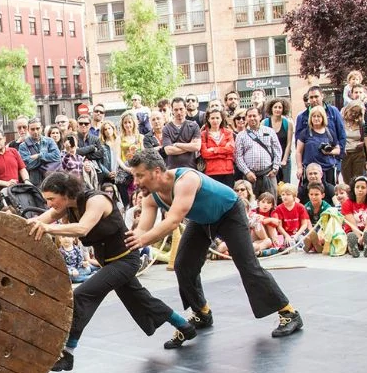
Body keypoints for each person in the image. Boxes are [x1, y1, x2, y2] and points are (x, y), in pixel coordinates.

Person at [124, 149, 303, 342]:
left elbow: (173, 221)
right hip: (202, 219)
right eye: (134, 176)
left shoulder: (186, 180)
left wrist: (140, 241)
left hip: (229, 213)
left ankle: (289, 313)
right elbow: (142, 230)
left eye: (140, 176)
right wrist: (128, 243)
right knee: (183, 265)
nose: (136, 182)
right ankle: (202, 312)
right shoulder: (151, 198)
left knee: (248, 266)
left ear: (157, 171)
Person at [27, 172, 197, 369]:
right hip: (111, 263)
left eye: (51, 199)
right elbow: (40, 220)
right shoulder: (67, 206)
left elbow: (82, 229)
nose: (49, 204)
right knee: (141, 299)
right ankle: (185, 326)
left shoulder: (96, 200)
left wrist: (47, 229)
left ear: (65, 193)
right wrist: (18, 227)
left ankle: (68, 353)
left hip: (126, 260)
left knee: (82, 295)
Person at [234, 106, 283, 200]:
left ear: (260, 116)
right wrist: (247, 172)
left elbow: (277, 150)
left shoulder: (269, 131)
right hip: (250, 176)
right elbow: (238, 157)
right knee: (250, 204)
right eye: (249, 116)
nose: (252, 118)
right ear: (246, 118)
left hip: (268, 174)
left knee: (271, 202)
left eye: (254, 115)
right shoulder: (241, 136)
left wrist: (275, 167)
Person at [296, 105, 341, 188]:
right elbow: (298, 151)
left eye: (318, 116)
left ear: (323, 117)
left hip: (327, 169)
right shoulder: (305, 133)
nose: (316, 119)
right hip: (310, 171)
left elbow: (338, 150)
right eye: (314, 116)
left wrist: (329, 152)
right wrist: (299, 167)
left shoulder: (330, 133)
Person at [0, 129, 29, 209]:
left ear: (4, 139)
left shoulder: (13, 151)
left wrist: (27, 180)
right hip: (1, 198)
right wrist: (7, 183)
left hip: (17, 193)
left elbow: (22, 169)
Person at [199, 107, 235, 187]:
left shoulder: (228, 133)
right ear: (208, 119)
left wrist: (214, 150)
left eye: (217, 118)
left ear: (222, 119)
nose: (215, 120)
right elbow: (205, 153)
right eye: (212, 118)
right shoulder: (203, 134)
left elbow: (231, 149)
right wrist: (224, 153)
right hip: (211, 171)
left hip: (227, 171)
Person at [161, 97, 201, 170]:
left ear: (185, 109)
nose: (179, 112)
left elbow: (197, 147)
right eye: (176, 110)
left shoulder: (194, 126)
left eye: (181, 109)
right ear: (172, 110)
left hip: (191, 169)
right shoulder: (166, 128)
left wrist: (177, 144)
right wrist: (189, 146)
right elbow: (168, 150)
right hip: (173, 170)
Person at [341, 176, 367, 257]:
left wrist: (364, 236)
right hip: (352, 231)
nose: (360, 189)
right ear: (353, 189)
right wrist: (359, 237)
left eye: (363, 187)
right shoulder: (347, 203)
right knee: (351, 239)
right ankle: (353, 250)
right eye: (357, 187)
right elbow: (352, 224)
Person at [18, 119, 60, 186]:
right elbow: (27, 165)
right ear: (28, 130)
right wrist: (48, 158)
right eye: (32, 129)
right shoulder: (23, 146)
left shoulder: (49, 141)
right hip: (34, 182)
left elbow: (57, 156)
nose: (35, 131)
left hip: (51, 180)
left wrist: (39, 156)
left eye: (37, 128)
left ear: (42, 128)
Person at [263, 98, 294, 184]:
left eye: (280, 107)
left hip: (284, 159)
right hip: (270, 161)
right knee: (272, 185)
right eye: (275, 107)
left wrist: (284, 160)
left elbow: (289, 143)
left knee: (286, 185)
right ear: (271, 108)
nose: (277, 109)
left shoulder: (287, 123)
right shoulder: (264, 123)